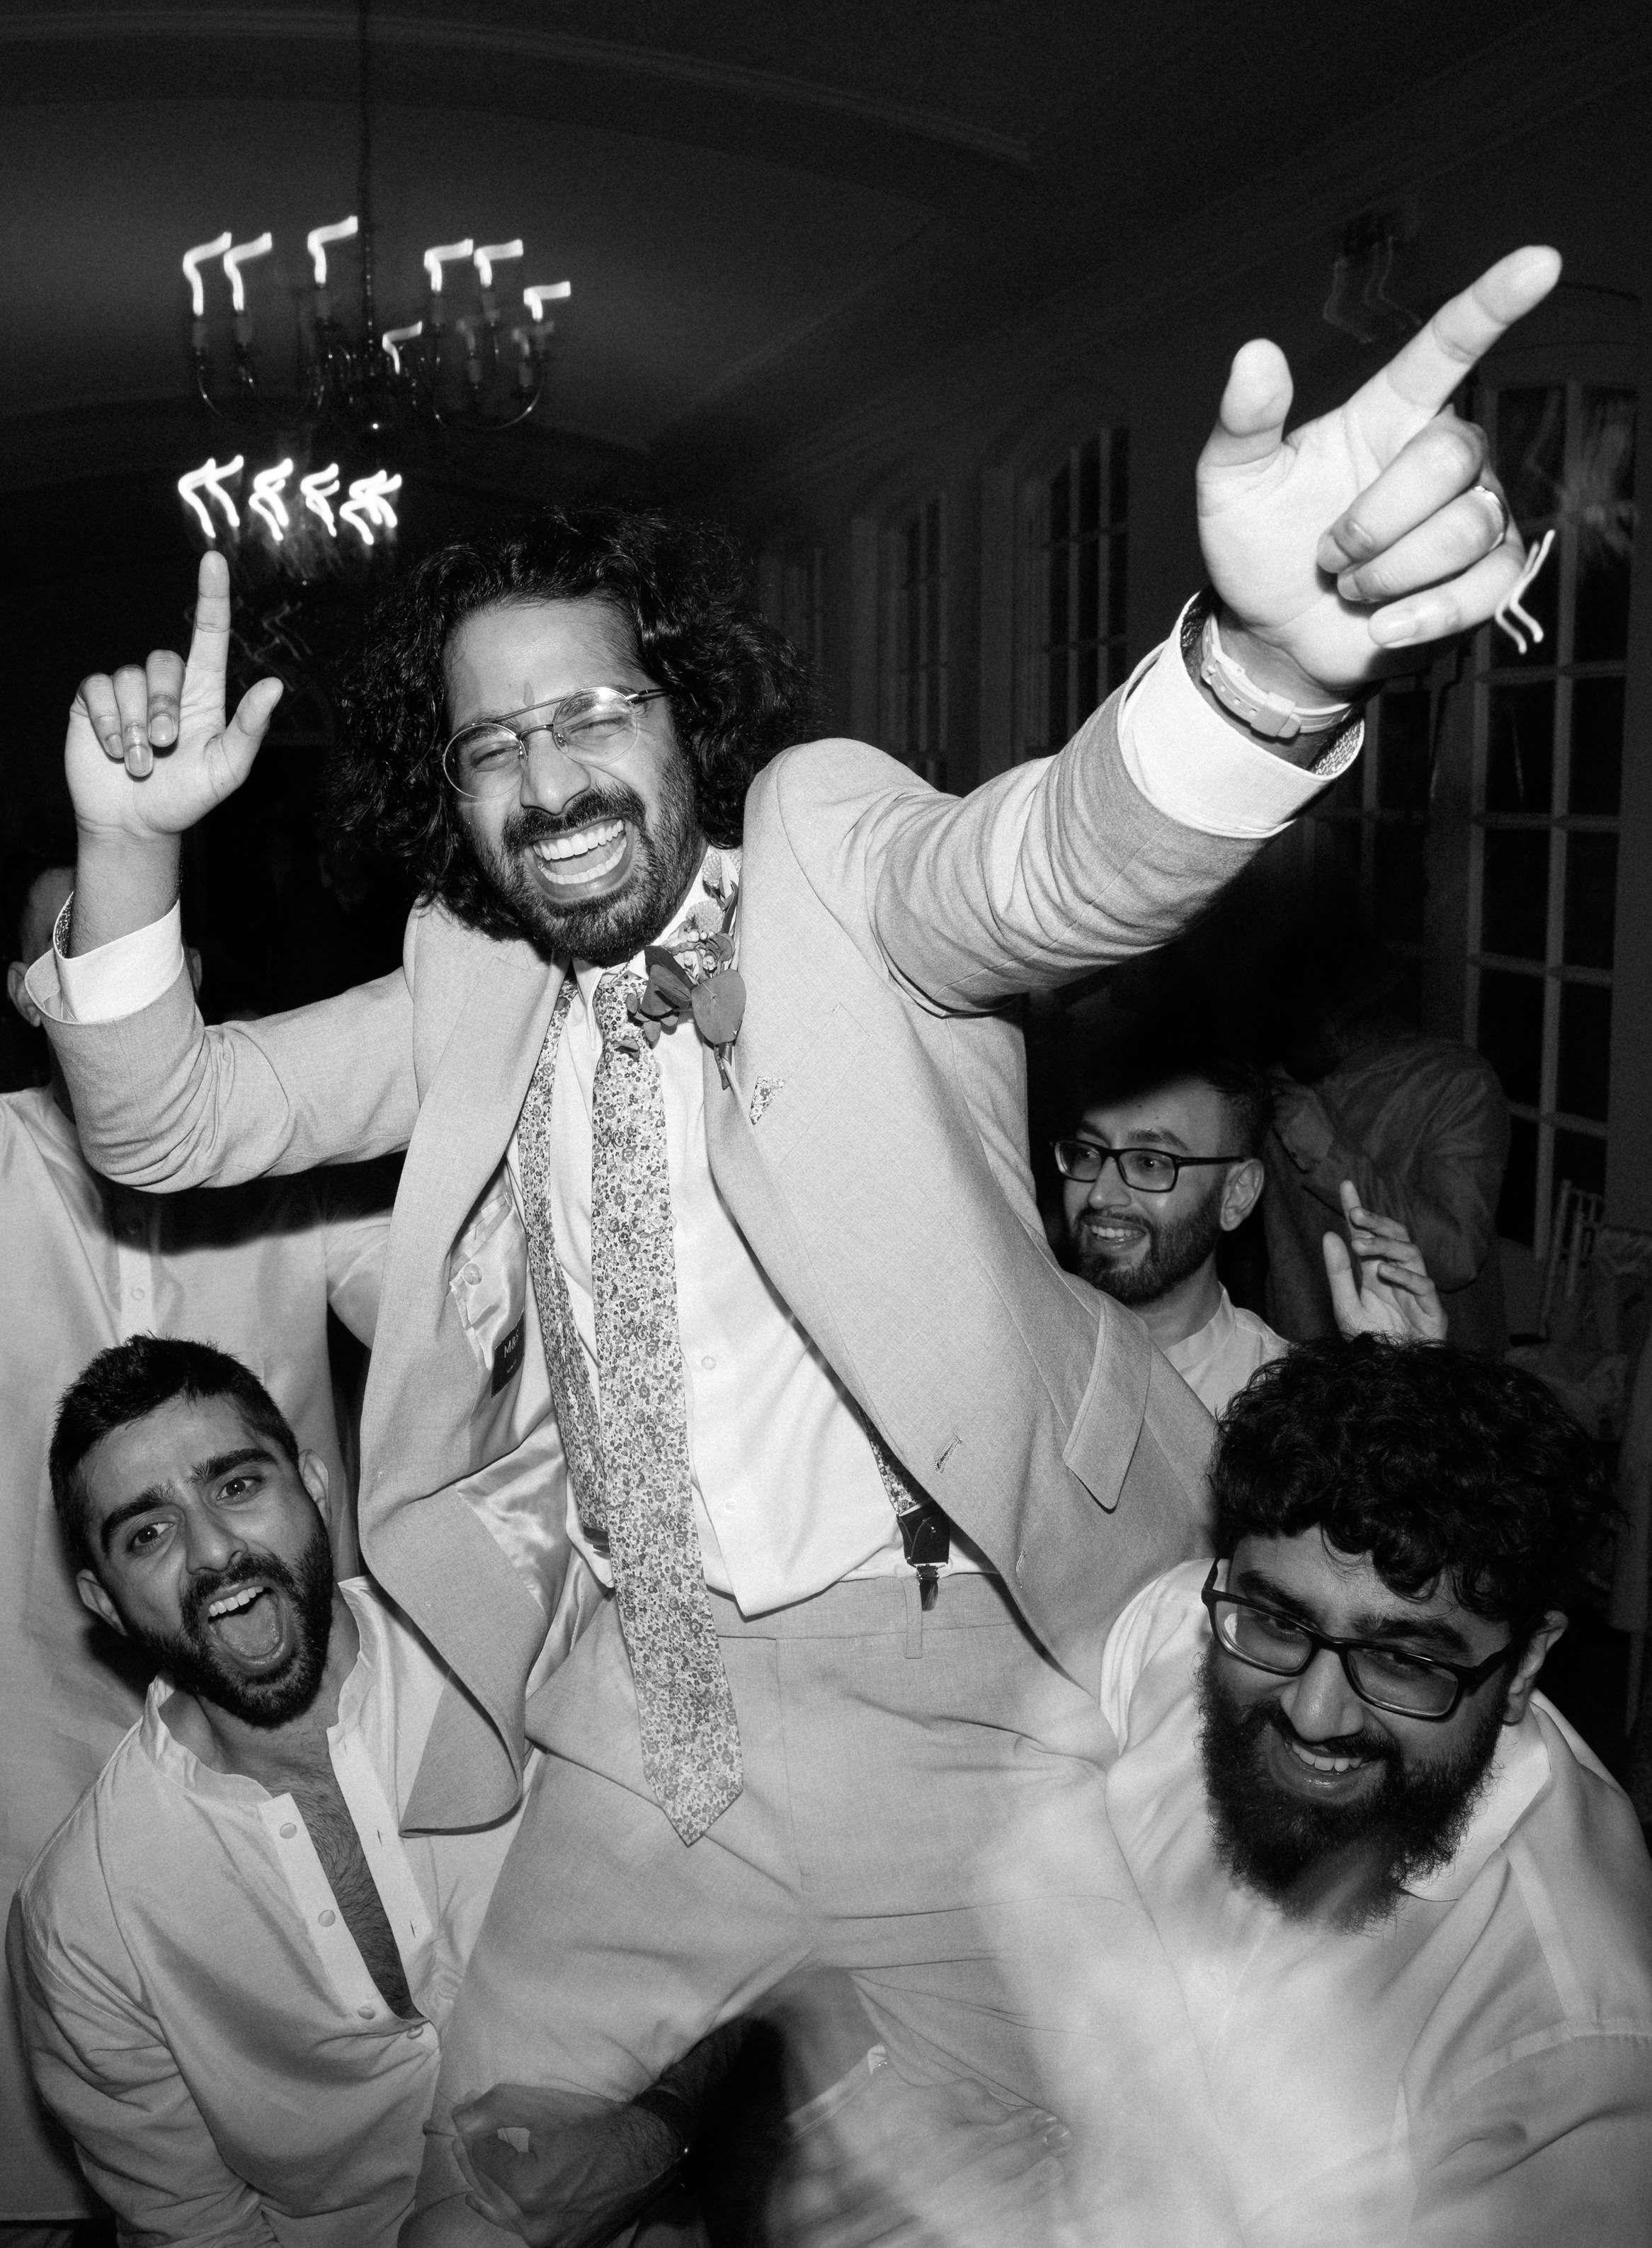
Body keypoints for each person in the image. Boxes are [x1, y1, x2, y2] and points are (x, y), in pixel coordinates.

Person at [28, 249, 1561, 2242]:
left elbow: (1043, 867)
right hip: (627, 1709)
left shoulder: (833, 862)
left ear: (684, 715)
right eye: (490, 746)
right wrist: (129, 840)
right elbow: (164, 1119)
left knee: (1052, 2207)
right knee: (471, 2207)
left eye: (591, 711)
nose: (547, 777)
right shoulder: (470, 979)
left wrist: (1263, 675)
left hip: (945, 1690)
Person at [0, 867, 398, 2244]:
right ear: (28, 993)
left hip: (313, 1694)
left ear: (186, 977)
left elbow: (451, 1324)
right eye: (68, 950)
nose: (99, 973)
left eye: (132, 947)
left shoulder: (287, 1144)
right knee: (95, 2088)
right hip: (42, 1732)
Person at [8, 1337, 572, 2248]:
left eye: (237, 1486)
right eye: (148, 1533)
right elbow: (192, 2227)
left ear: (314, 1484)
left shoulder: (511, 1645)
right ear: (104, 1601)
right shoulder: (83, 1922)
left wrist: (654, 2136)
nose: (214, 1550)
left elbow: (709, 1919)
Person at [1094, 1335, 1652, 2244]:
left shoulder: (1564, 2050)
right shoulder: (1185, 1635)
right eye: (1280, 1622)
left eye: (1400, 1661)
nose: (1313, 1713)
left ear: (1523, 1665)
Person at [1056, 1041, 1445, 1413]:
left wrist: (1396, 1400)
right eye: (1088, 1153)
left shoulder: (1285, 1405)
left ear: (1236, 1195)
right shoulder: (1028, 1348)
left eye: (1150, 1163)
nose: (1100, 1195)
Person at [1260, 908, 1511, 1352]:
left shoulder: (1456, 1083)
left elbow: (1457, 1255)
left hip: (1436, 1372)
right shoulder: (1280, 1087)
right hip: (1309, 1365)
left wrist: (1330, 1155)